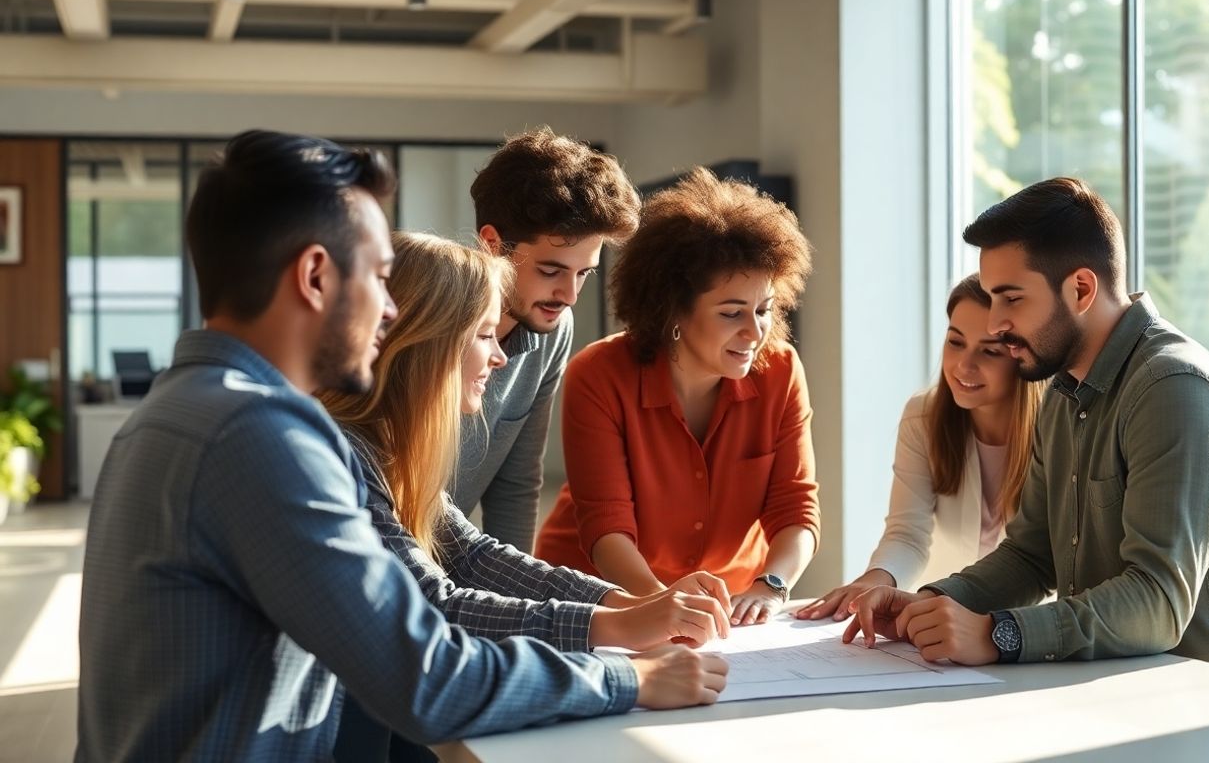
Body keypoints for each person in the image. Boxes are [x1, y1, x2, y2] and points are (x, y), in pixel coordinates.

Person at [76, 130, 727, 762]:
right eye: (380, 278)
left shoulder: (181, 407)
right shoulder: (258, 436)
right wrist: (629, 680)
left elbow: (464, 557)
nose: (392, 312)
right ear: (314, 277)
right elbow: (426, 676)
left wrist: (622, 612)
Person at [844, 176, 1209, 676]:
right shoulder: (1063, 394)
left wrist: (999, 633)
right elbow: (1031, 556)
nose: (994, 323)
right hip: (1116, 683)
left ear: (1081, 288)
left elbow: (1157, 603)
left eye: (1011, 299)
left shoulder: (1174, 388)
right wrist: (928, 603)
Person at [320, 231, 732, 762]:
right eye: (485, 335)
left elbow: (472, 556)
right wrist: (623, 637)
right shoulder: (343, 456)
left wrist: (629, 603)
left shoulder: (387, 449)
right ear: (430, 341)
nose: (498, 358)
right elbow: (436, 609)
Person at [535, 168, 820, 627]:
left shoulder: (781, 370)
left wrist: (772, 587)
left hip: (728, 607)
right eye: (732, 313)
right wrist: (661, 607)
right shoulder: (599, 374)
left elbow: (795, 505)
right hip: (598, 600)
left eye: (764, 309)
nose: (754, 331)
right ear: (673, 310)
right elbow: (607, 528)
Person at [796, 273, 1042, 622]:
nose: (964, 366)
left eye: (989, 351)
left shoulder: (1057, 429)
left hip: (1026, 627)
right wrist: (875, 580)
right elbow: (907, 534)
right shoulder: (923, 418)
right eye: (955, 342)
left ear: (1024, 357)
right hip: (936, 622)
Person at [454, 128, 640, 551]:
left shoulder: (554, 329)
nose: (569, 296)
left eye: (584, 273)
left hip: (442, 567)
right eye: (552, 271)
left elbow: (516, 484)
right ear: (492, 244)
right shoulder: (427, 322)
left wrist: (517, 604)